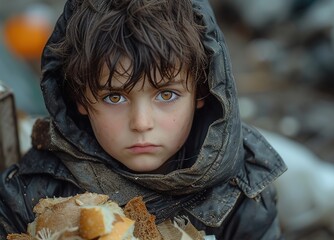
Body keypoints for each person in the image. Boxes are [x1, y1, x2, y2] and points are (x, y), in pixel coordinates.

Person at [0, 0, 287, 239]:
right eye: (115, 97)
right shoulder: (31, 197)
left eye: (166, 95)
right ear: (79, 99)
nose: (141, 123)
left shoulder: (241, 191)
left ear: (202, 91)